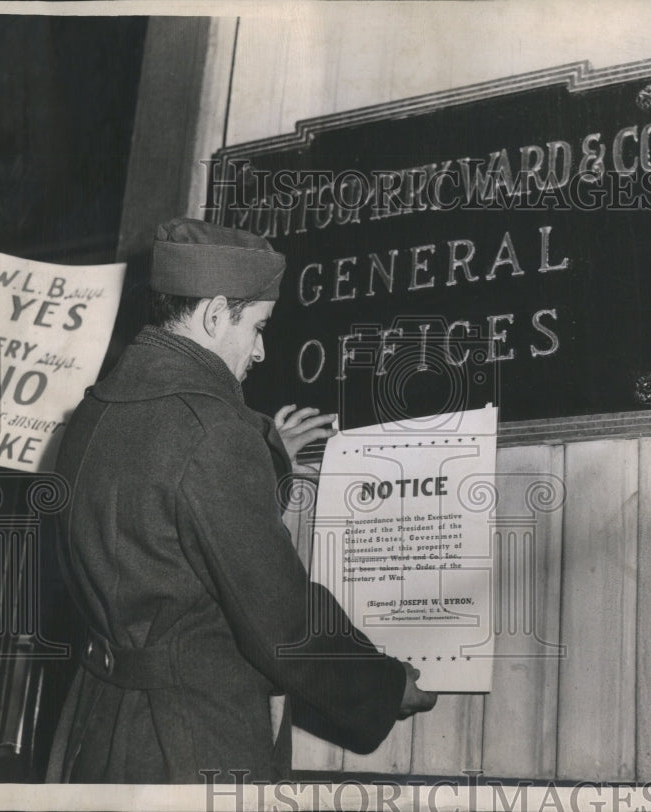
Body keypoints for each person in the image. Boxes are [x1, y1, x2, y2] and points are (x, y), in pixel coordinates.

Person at [46, 217, 436, 783]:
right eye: (257, 326)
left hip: (96, 728)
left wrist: (267, 453)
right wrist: (382, 684)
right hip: (187, 742)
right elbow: (283, 621)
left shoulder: (94, 413)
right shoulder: (213, 433)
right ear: (212, 314)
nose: (258, 352)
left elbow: (157, 528)